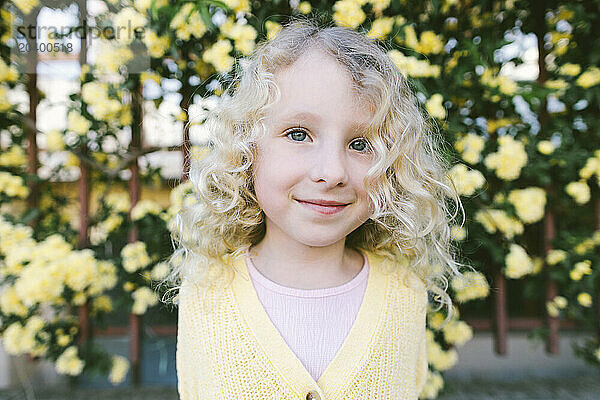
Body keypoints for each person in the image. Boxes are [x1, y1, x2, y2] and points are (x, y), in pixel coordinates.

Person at [166, 16, 466, 400]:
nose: (332, 172)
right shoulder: (204, 291)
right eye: (298, 134)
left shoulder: (404, 292)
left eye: (361, 144)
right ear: (248, 150)